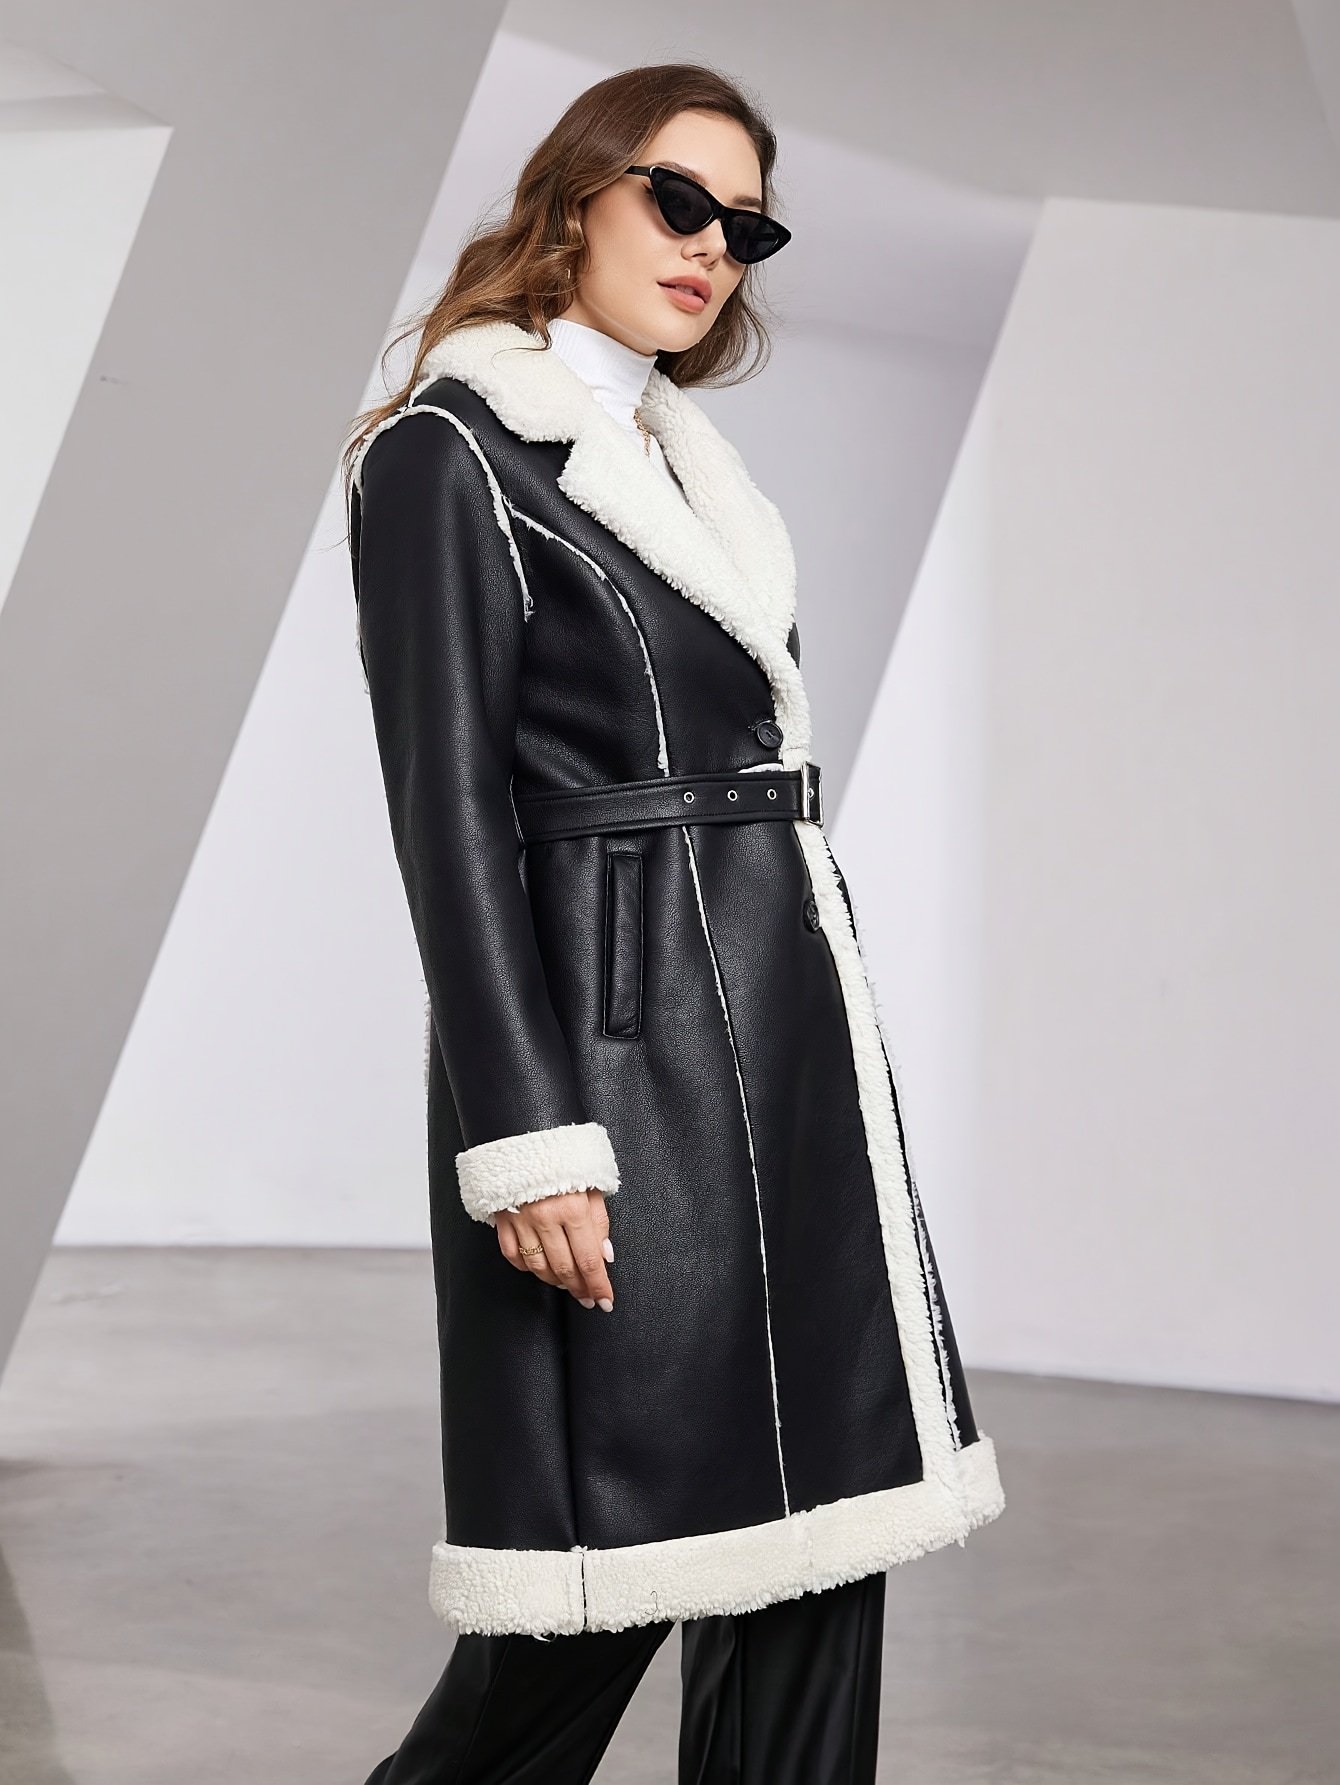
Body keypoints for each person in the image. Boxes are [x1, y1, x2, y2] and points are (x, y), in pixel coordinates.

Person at [341, 60, 1005, 1785]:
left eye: (747, 226)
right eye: (680, 200)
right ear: (577, 196)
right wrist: (526, 1136)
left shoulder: (686, 465)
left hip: (787, 1053)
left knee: (823, 1548)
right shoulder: (450, 454)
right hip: (616, 1080)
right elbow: (447, 825)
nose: (714, 245)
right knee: (593, 1589)